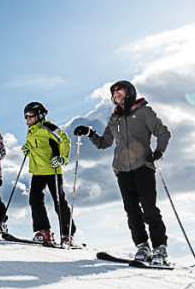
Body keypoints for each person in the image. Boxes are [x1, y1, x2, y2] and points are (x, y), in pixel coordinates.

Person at [73, 80, 172, 265]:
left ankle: (160, 249)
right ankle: (143, 246)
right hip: (122, 170)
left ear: (129, 91)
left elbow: (163, 132)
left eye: (119, 89)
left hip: (143, 166)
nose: (115, 92)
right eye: (113, 91)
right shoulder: (114, 118)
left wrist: (159, 151)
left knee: (149, 210)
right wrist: (90, 133)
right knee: (132, 211)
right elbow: (105, 143)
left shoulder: (144, 112)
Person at [22, 101, 76, 245]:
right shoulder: (31, 132)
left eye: (30, 115)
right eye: (25, 115)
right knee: (35, 200)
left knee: (59, 201)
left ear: (40, 115)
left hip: (53, 170)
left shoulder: (49, 127)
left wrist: (63, 158)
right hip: (38, 171)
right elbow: (38, 150)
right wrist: (28, 150)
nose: (27, 118)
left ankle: (67, 234)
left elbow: (65, 140)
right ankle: (44, 231)